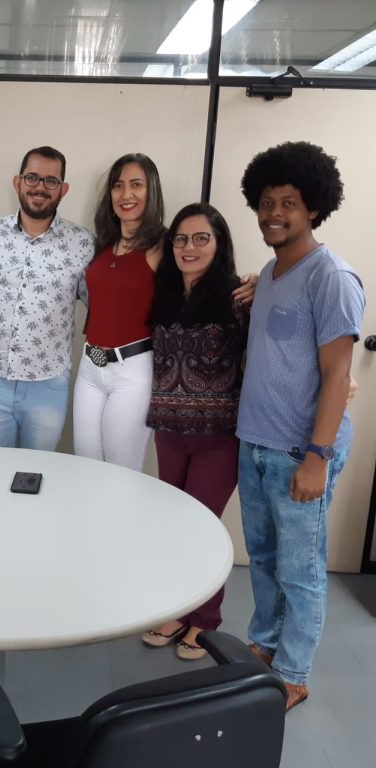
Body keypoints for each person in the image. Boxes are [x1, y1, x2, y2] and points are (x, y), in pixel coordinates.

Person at [237, 141, 365, 712]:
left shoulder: (331, 276)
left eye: (288, 202)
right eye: (266, 202)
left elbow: (337, 373)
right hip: (255, 443)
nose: (274, 213)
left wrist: (318, 456)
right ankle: (265, 644)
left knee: (302, 570)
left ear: (314, 206)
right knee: (263, 559)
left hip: (299, 452)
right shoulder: (270, 272)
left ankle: (293, 673)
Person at [73, 153, 254, 471]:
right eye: (118, 185)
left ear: (151, 191)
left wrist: (254, 283)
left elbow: (204, 279)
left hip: (133, 371)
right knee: (85, 463)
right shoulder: (103, 243)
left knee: (119, 472)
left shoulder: (163, 245)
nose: (126, 194)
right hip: (90, 366)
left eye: (136, 185)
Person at [141, 202, 248, 659]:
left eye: (201, 238)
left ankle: (205, 620)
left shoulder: (238, 298)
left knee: (204, 528)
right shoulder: (166, 295)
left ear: (219, 244)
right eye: (181, 239)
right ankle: (177, 609)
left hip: (217, 438)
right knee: (174, 527)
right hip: (169, 431)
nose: (190, 247)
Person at [0, 146, 93, 450]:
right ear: (18, 182)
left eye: (51, 181)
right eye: (32, 177)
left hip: (48, 383)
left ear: (63, 189)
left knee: (37, 472)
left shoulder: (82, 243)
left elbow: (97, 304)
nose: (40, 187)